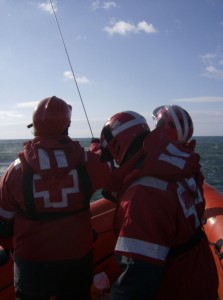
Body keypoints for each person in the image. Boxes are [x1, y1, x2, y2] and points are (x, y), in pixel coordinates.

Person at [0, 96, 112, 300]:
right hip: (76, 261)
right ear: (66, 126)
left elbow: (3, 226)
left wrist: (10, 248)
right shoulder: (88, 162)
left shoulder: (14, 171)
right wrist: (96, 148)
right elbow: (110, 172)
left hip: (30, 264)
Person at [99, 110, 218, 300]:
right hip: (201, 278)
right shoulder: (178, 166)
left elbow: (137, 280)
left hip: (177, 288)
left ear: (118, 147)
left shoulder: (142, 194)